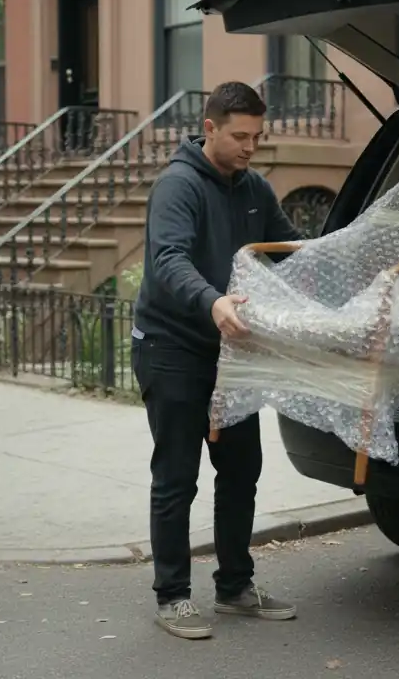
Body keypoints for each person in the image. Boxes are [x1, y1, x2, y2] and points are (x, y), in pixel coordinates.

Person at [130, 81, 304, 639]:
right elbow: (169, 261)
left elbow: (288, 253)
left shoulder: (255, 189)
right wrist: (213, 301)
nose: (251, 146)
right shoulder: (178, 187)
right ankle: (173, 596)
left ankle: (233, 587)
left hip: (231, 353)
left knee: (241, 470)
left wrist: (344, 272)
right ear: (209, 129)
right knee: (178, 476)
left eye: (258, 135)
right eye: (239, 136)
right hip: (173, 345)